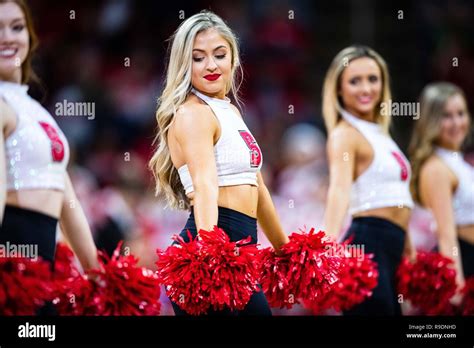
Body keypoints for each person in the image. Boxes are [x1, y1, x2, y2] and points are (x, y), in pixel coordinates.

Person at [148, 10, 289, 316]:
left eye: (219, 54)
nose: (211, 65)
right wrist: (209, 254)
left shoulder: (230, 112)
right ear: (184, 65)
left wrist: (287, 252)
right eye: (198, 58)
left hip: (240, 254)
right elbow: (205, 185)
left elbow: (258, 187)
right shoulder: (193, 113)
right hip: (212, 250)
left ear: (233, 59)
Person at [0, 0, 98, 273]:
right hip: (11, 255)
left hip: (43, 256)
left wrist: (97, 274)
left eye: (16, 27)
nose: (7, 37)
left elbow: (67, 198)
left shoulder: (35, 110)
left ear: (30, 37)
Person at [321, 45, 415, 315]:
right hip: (368, 243)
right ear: (338, 88)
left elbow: (397, 194)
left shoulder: (379, 132)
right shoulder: (345, 134)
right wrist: (326, 248)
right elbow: (338, 191)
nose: (366, 89)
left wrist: (407, 241)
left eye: (373, 79)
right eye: (354, 81)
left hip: (391, 247)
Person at [409, 82, 472, 293]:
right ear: (431, 121)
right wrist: (458, 291)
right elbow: (446, 234)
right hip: (465, 261)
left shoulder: (457, 161)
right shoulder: (436, 168)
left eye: (461, 113)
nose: (457, 122)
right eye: (447, 116)